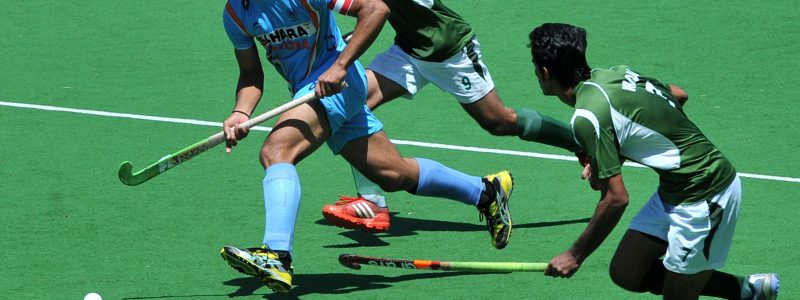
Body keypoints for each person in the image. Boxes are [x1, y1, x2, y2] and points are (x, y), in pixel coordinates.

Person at [217, 0, 514, 293]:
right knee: (393, 174)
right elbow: (251, 75)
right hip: (309, 92)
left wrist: (341, 65)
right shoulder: (235, 13)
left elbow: (375, 9)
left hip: (338, 83)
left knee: (276, 152)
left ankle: (277, 255)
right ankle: (486, 191)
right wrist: (241, 113)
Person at [528, 23, 779, 299]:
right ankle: (748, 290)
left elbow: (616, 198)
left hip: (706, 194)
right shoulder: (614, 74)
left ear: (545, 72)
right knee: (627, 271)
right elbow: (679, 94)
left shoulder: (587, 117)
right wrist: (614, 151)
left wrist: (575, 254)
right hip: (675, 190)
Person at [321, 0, 581, 233]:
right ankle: (372, 203)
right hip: (408, 50)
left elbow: (378, 9)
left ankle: (580, 142)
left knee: (499, 121)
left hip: (450, 50)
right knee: (349, 106)